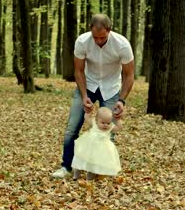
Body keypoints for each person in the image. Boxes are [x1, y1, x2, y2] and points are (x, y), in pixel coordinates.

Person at [51, 13, 135, 178]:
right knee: (72, 128)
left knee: (108, 131)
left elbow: (129, 74)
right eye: (95, 37)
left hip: (111, 88)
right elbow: (79, 70)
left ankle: (103, 169)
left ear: (109, 30)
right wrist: (83, 96)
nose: (98, 41)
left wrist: (122, 100)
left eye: (102, 38)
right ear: (90, 30)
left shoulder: (122, 45)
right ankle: (66, 167)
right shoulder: (82, 42)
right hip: (88, 84)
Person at [71, 107, 122, 180]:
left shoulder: (110, 128)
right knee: (80, 159)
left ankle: (90, 178)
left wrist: (118, 119)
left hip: (100, 150)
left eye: (108, 123)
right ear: (97, 120)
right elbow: (87, 118)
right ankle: (76, 174)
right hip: (89, 146)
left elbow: (118, 128)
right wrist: (88, 112)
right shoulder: (94, 124)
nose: (105, 125)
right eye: (103, 122)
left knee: (94, 164)